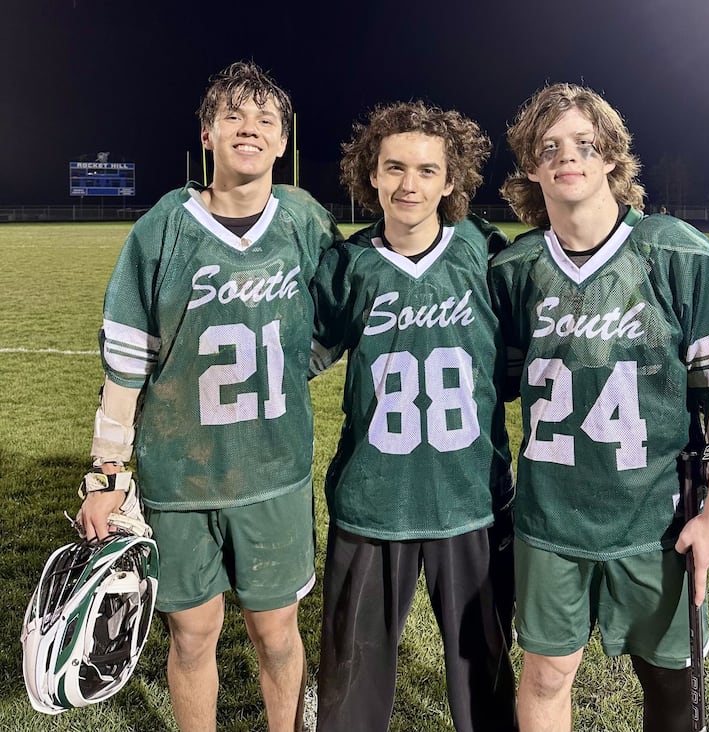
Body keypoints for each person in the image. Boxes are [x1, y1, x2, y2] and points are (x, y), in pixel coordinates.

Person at [489, 83, 709, 732]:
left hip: (655, 522)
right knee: (546, 673)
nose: (568, 157)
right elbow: (492, 384)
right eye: (549, 146)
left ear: (610, 155)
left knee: (670, 687)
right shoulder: (518, 269)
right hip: (550, 521)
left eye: (585, 143)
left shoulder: (674, 252)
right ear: (531, 166)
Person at [77, 60, 341, 732]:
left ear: (283, 142)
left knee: (275, 634)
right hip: (180, 476)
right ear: (207, 134)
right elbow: (127, 361)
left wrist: (285, 367)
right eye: (234, 116)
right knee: (192, 636)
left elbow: (340, 319)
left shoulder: (304, 221)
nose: (249, 129)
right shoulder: (163, 227)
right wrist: (107, 474)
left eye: (265, 121)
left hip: (272, 475)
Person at [310, 101, 517, 732]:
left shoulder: (486, 255)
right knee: (350, 687)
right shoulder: (349, 265)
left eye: (427, 171)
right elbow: (292, 362)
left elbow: (531, 361)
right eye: (394, 168)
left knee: (484, 680)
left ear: (451, 180)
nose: (409, 184)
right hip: (374, 500)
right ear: (369, 175)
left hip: (470, 499)